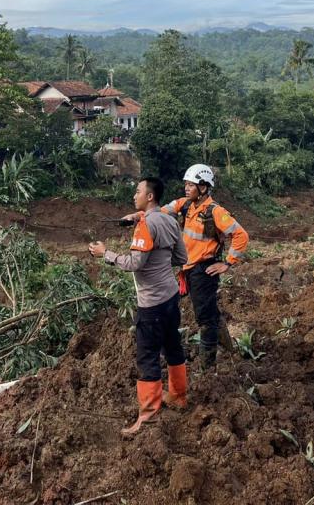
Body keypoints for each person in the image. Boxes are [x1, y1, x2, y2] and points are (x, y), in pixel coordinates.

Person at [88, 177, 188, 436]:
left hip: (151, 303)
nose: (134, 196)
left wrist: (105, 254)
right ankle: (178, 396)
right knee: (173, 346)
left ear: (150, 196)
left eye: (138, 191)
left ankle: (149, 416)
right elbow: (181, 257)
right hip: (170, 296)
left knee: (147, 357)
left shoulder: (146, 225)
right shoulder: (169, 220)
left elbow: (134, 263)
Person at [164, 164, 249, 370]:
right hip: (188, 268)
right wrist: (138, 217)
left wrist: (227, 263)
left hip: (204, 271)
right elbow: (162, 211)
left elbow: (241, 235)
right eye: (185, 184)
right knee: (208, 312)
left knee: (205, 319)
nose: (186, 188)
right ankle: (230, 351)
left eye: (190, 185)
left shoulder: (216, 212)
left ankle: (207, 367)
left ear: (203, 188)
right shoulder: (186, 205)